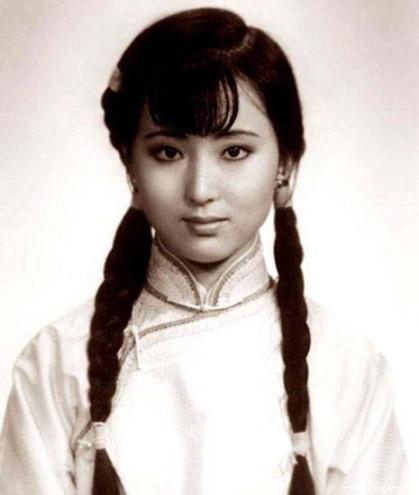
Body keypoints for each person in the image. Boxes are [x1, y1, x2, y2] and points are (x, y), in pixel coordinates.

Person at [0, 7, 409, 495]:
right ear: (131, 168)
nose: (200, 190)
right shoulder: (57, 364)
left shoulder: (345, 366)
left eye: (234, 151)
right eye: (168, 152)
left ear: (285, 166)